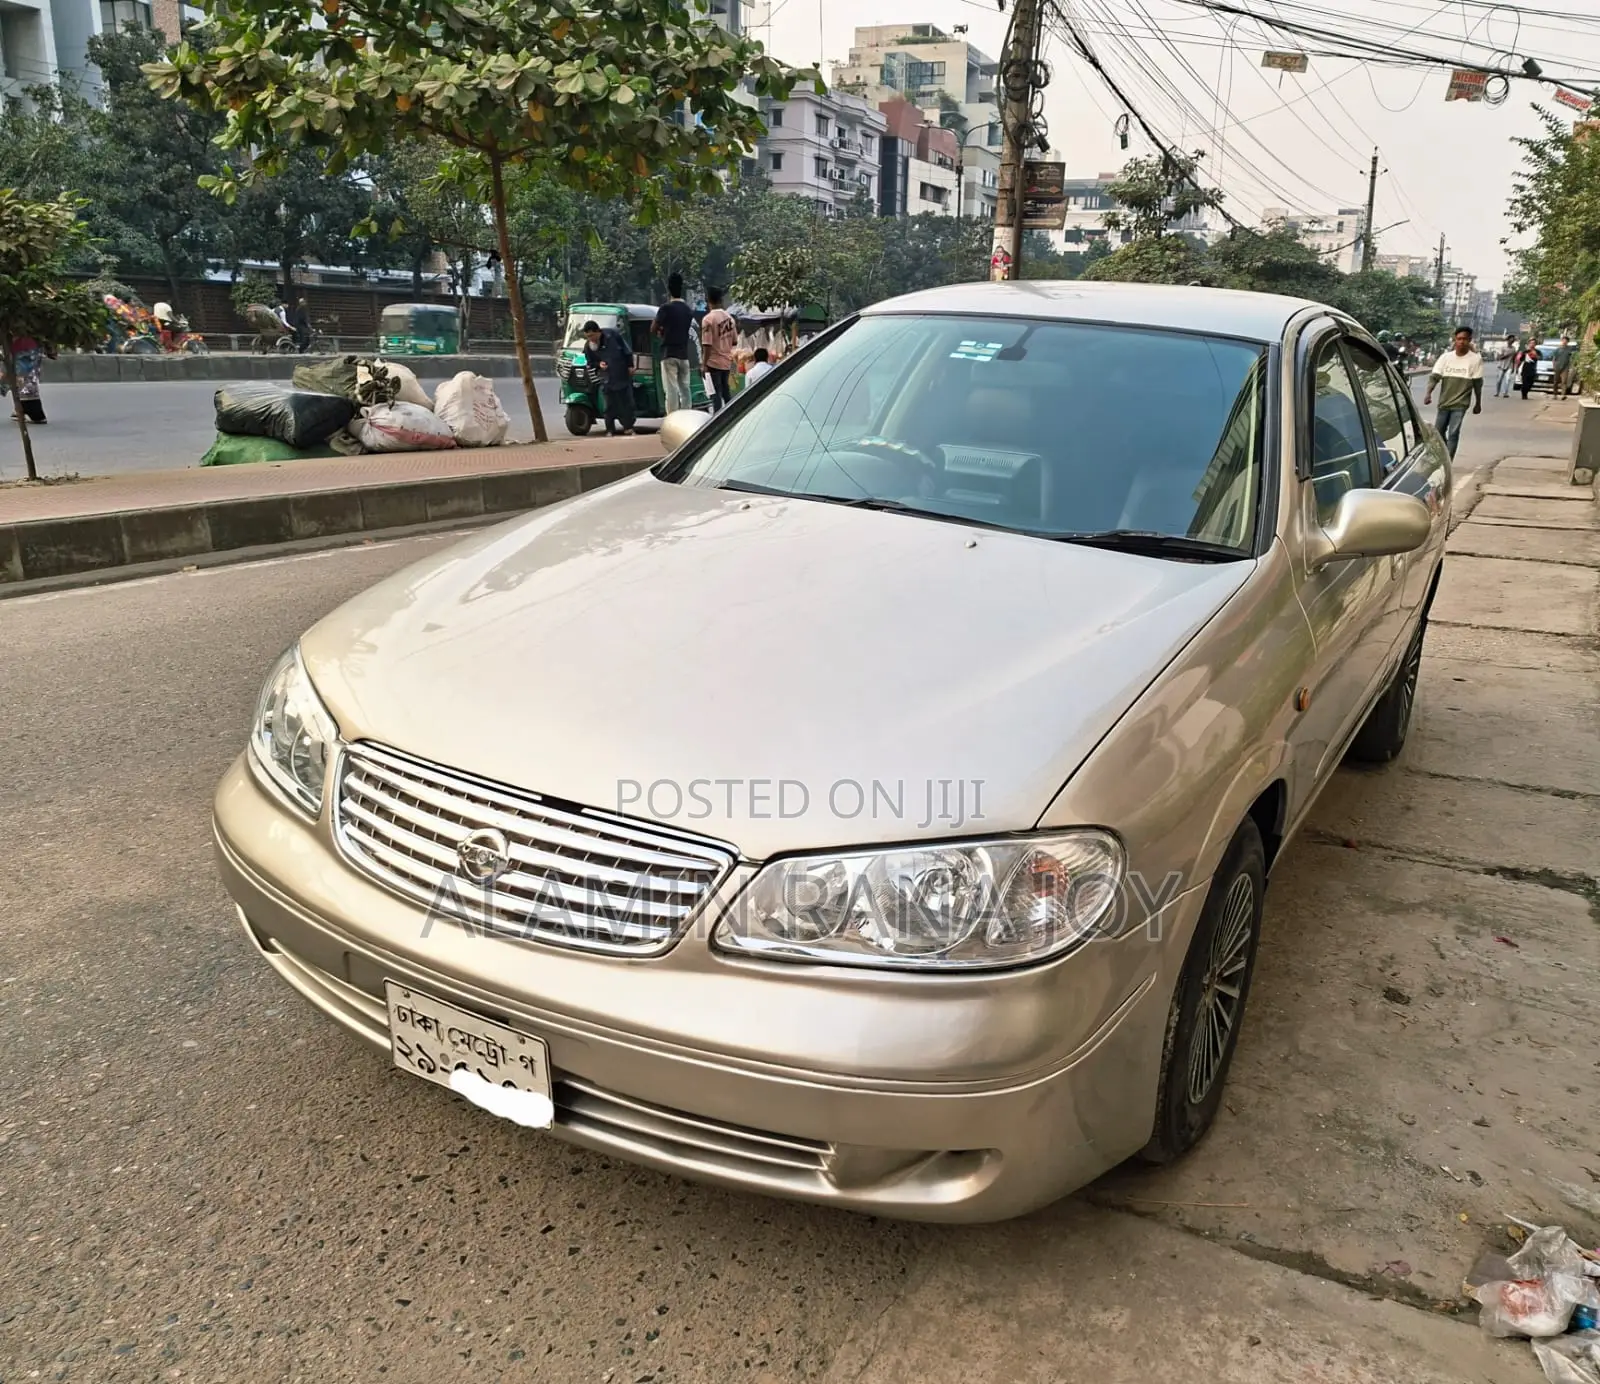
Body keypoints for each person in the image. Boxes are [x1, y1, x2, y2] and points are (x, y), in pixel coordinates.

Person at [1422, 325, 1482, 458]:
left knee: (1454, 433)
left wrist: (1478, 403)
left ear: (1469, 340)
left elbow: (1478, 383)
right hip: (1444, 402)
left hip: (1461, 403)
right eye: (1459, 339)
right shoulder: (1445, 358)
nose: (1462, 342)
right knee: (1438, 432)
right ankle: (1443, 454)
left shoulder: (1475, 359)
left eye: (1465, 339)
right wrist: (1428, 393)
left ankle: (1449, 459)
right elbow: (1435, 377)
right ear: (1455, 339)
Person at [582, 318, 636, 436]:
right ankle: (610, 429)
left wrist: (630, 365)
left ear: (598, 332)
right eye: (588, 336)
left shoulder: (612, 336)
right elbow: (590, 362)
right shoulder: (589, 346)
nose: (591, 339)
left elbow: (626, 351)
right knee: (609, 405)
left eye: (592, 335)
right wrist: (598, 365)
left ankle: (628, 427)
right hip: (606, 378)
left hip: (621, 374)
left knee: (626, 402)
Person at [652, 273, 694, 415]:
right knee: (685, 388)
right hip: (684, 354)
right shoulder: (688, 310)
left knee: (671, 389)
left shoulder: (665, 308)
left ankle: (672, 419)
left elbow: (653, 328)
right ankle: (687, 416)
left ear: (668, 290)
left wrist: (661, 330)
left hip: (668, 353)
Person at [700, 287, 736, 412]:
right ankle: (732, 416)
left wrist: (704, 365)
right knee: (726, 392)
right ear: (721, 300)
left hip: (713, 362)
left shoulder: (708, 320)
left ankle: (716, 419)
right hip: (726, 361)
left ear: (708, 300)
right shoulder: (730, 318)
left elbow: (707, 344)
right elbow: (734, 341)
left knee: (715, 393)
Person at [4, 336, 53, 424]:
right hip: (25, 347)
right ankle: (23, 409)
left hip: (24, 347)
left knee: (25, 379)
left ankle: (30, 411)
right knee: (24, 379)